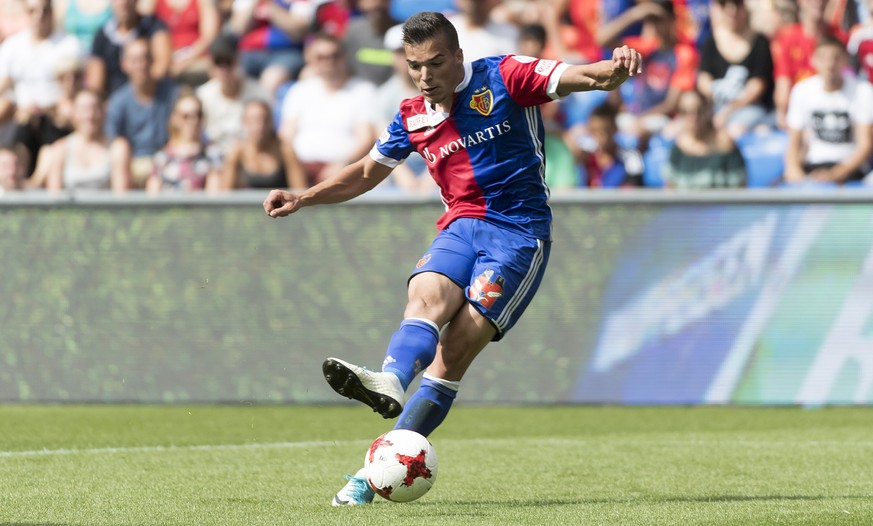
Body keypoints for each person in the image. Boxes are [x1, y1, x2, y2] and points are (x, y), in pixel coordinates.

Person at [262, 11, 642, 506]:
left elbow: (583, 77)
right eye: (415, 65)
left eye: (436, 63)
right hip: (461, 226)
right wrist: (304, 197)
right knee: (424, 297)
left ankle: (368, 475)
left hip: (518, 235)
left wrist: (615, 69)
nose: (425, 76)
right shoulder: (411, 116)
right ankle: (391, 380)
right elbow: (364, 174)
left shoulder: (504, 77)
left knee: (454, 350)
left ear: (458, 55)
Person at [279, 32, 378, 187]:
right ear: (311, 61)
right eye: (321, 57)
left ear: (344, 57)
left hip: (344, 171)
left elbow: (366, 138)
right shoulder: (299, 90)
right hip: (300, 169)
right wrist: (294, 168)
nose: (329, 61)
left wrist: (342, 165)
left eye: (335, 56)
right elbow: (286, 135)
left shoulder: (363, 90)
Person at [783, 34, 873, 185]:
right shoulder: (801, 90)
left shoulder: (863, 91)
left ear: (845, 60)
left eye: (836, 58)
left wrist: (835, 174)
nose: (830, 64)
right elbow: (793, 141)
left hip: (851, 171)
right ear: (814, 60)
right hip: (813, 166)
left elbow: (865, 144)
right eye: (823, 58)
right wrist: (794, 171)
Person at [104, 37, 179, 188]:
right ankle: (122, 207)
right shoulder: (118, 101)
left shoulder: (173, 94)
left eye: (145, 59)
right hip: (132, 162)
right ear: (124, 65)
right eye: (135, 60)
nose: (141, 65)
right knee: (119, 150)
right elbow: (111, 137)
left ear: (152, 61)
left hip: (167, 157)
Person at [697, 0, 774, 139]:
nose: (731, 10)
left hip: (750, 110)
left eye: (736, 4)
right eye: (724, 4)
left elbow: (756, 87)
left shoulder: (760, 42)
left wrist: (729, 110)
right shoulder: (710, 41)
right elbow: (703, 80)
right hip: (715, 107)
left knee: (733, 131)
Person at [196, 32, 270, 149]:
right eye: (218, 62)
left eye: (228, 62)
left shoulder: (260, 94)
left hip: (251, 157)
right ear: (211, 65)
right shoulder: (203, 96)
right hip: (214, 158)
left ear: (238, 61)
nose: (224, 69)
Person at [662, 89, 747, 188]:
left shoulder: (725, 144)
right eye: (686, 112)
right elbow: (670, 188)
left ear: (708, 110)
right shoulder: (679, 146)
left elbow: (739, 188)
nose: (693, 118)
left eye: (699, 110)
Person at [45, 88, 126, 191]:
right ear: (74, 113)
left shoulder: (117, 147)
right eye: (84, 110)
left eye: (95, 109)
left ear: (103, 111)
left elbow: (122, 196)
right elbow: (54, 197)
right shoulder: (60, 149)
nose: (90, 116)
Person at [86, 0, 171, 96]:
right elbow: (96, 82)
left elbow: (162, 65)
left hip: (150, 96)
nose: (124, 2)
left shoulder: (153, 26)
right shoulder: (102, 36)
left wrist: (140, 92)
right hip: (113, 100)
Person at [220, 98, 305, 189]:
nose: (260, 126)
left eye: (265, 120)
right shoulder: (237, 152)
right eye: (254, 120)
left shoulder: (285, 150)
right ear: (244, 122)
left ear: (272, 121)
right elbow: (225, 192)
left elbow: (299, 191)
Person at [146, 92, 220, 192]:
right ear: (176, 119)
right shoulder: (162, 157)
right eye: (186, 116)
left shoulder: (212, 154)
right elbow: (152, 197)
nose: (193, 121)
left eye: (198, 115)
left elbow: (214, 197)